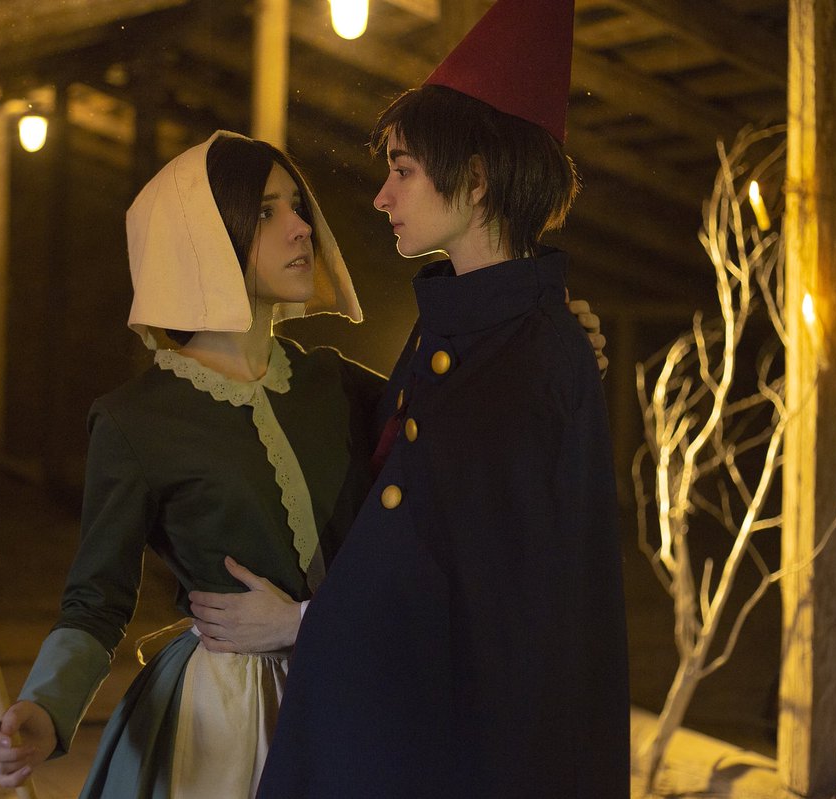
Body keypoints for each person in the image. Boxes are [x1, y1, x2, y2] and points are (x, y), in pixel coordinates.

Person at [252, 0, 631, 796]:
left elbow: (478, 584)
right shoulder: (471, 327)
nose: (383, 196)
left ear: (479, 178)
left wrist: (302, 622)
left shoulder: (529, 351)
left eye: (404, 170)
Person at [0, 130, 383, 798]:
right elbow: (96, 601)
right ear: (203, 240)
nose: (301, 227)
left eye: (296, 205)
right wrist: (44, 710)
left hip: (355, 688)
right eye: (266, 212)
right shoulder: (136, 421)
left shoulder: (335, 384)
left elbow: (448, 448)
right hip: (228, 721)